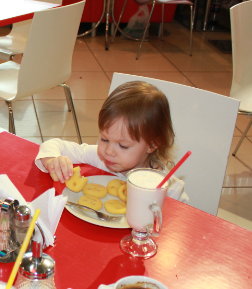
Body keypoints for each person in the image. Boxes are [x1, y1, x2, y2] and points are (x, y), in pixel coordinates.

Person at [35, 81, 188, 202]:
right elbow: (53, 144)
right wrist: (52, 161)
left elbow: (185, 221)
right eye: (104, 139)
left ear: (152, 144)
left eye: (123, 145)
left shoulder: (169, 188)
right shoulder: (99, 158)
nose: (108, 151)